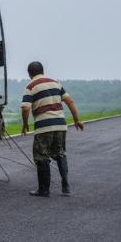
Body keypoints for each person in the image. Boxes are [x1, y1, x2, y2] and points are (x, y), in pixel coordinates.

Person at [20, 61, 84, 196]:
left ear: (29, 73)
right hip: (61, 125)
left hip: (44, 127)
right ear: (42, 70)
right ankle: (66, 186)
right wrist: (77, 120)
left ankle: (44, 189)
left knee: (41, 156)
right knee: (60, 153)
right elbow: (69, 101)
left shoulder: (30, 86)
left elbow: (25, 107)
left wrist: (25, 124)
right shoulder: (56, 83)